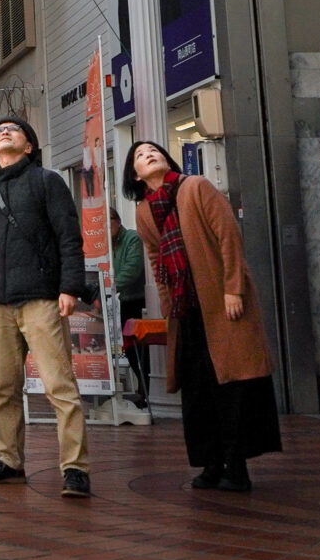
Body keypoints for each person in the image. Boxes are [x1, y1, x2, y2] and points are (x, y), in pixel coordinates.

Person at [126, 140, 281, 491]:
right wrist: (168, 307)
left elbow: (228, 236)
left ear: (167, 159)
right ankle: (211, 464)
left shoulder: (195, 187)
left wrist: (234, 288)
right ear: (134, 175)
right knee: (198, 391)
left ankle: (237, 470)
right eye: (139, 155)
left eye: (154, 151)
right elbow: (157, 262)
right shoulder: (145, 211)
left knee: (231, 386)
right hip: (186, 311)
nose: (148, 154)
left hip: (221, 302)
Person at [0, 115, 92, 499]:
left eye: (14, 129)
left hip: (41, 298)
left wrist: (69, 286)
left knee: (59, 386)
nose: (4, 132)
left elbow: (69, 237)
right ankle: (9, 461)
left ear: (29, 146)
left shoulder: (47, 181)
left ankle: (75, 468)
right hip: (1, 304)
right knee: (3, 388)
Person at [111, 210, 149, 407]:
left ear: (117, 222)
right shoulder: (111, 244)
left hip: (137, 300)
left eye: (108, 225)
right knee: (130, 348)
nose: (105, 230)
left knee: (139, 348)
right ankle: (143, 390)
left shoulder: (132, 239)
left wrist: (111, 286)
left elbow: (132, 269)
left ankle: (146, 391)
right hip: (123, 300)